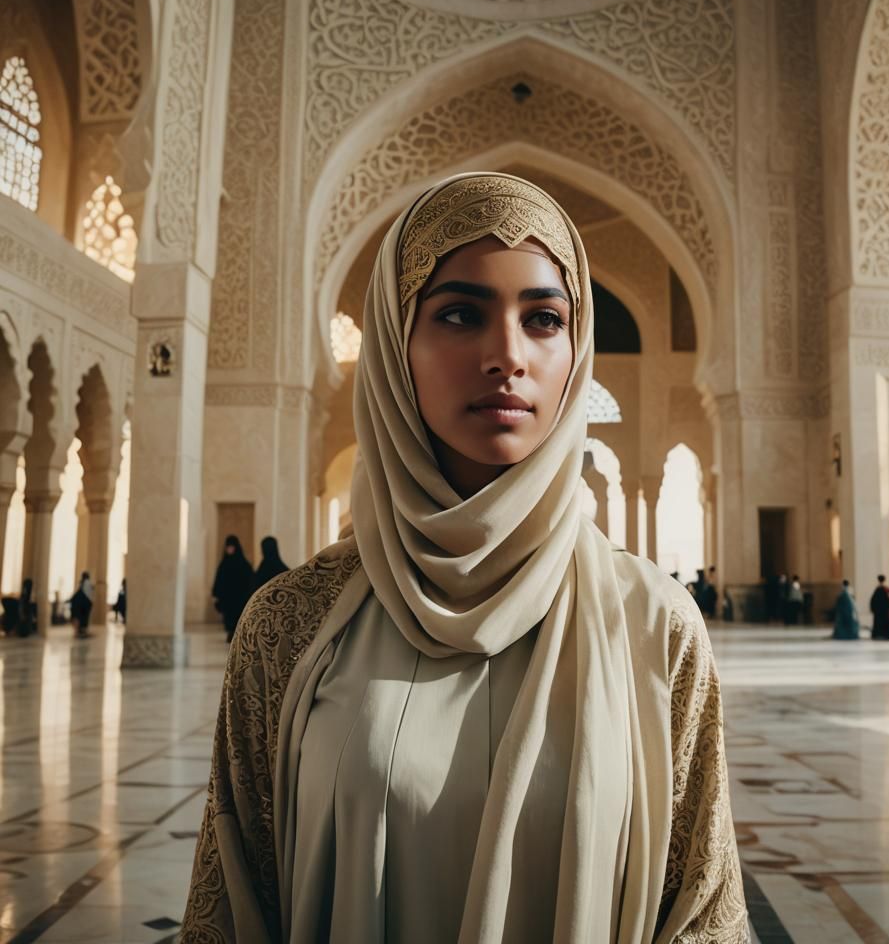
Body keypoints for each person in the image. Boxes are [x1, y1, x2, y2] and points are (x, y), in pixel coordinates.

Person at [181, 173, 747, 943]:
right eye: (458, 314)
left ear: (576, 352)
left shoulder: (655, 626)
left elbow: (702, 915)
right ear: (393, 344)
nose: (506, 356)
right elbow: (237, 909)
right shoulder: (290, 625)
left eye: (544, 318)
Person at [211, 535, 254, 643]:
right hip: (228, 599)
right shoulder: (224, 564)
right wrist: (216, 594)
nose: (229, 549)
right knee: (229, 619)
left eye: (231, 547)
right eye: (228, 547)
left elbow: (250, 580)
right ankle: (231, 634)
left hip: (240, 598)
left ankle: (236, 635)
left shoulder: (244, 564)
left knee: (238, 618)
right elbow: (219, 580)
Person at [70, 571, 94, 638]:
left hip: (79, 604)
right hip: (83, 604)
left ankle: (78, 632)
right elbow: (89, 595)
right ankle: (80, 631)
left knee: (78, 618)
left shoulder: (82, 583)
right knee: (82, 618)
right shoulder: (87, 583)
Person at [870, 574, 889, 640]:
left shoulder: (877, 589)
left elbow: (873, 600)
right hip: (885, 610)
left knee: (878, 622)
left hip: (878, 611)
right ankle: (886, 634)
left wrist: (873, 609)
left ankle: (878, 634)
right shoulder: (886, 589)